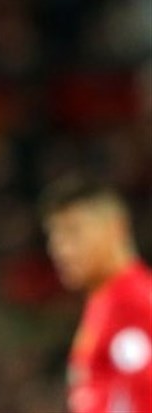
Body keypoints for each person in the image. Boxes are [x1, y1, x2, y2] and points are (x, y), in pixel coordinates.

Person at [41, 176, 152, 413]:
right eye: (54, 236)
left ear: (116, 227)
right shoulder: (106, 302)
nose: (60, 249)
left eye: (73, 231)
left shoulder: (132, 303)